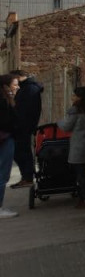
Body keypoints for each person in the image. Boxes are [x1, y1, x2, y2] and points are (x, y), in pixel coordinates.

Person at [10, 69, 43, 189]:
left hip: (24, 126)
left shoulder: (29, 88)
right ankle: (26, 176)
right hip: (22, 126)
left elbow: (26, 110)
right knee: (20, 152)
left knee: (22, 152)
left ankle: (28, 177)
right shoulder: (26, 88)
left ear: (18, 77)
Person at [0, 74, 20, 219]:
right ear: (5, 87)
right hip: (4, 139)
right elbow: (7, 122)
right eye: (15, 84)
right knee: (2, 175)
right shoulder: (4, 102)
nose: (17, 87)